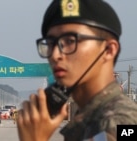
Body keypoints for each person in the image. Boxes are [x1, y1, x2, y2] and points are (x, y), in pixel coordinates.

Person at [16, 0, 137, 141]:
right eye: (50, 43)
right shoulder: (89, 117)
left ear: (109, 50)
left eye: (70, 41)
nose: (55, 55)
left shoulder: (120, 123)